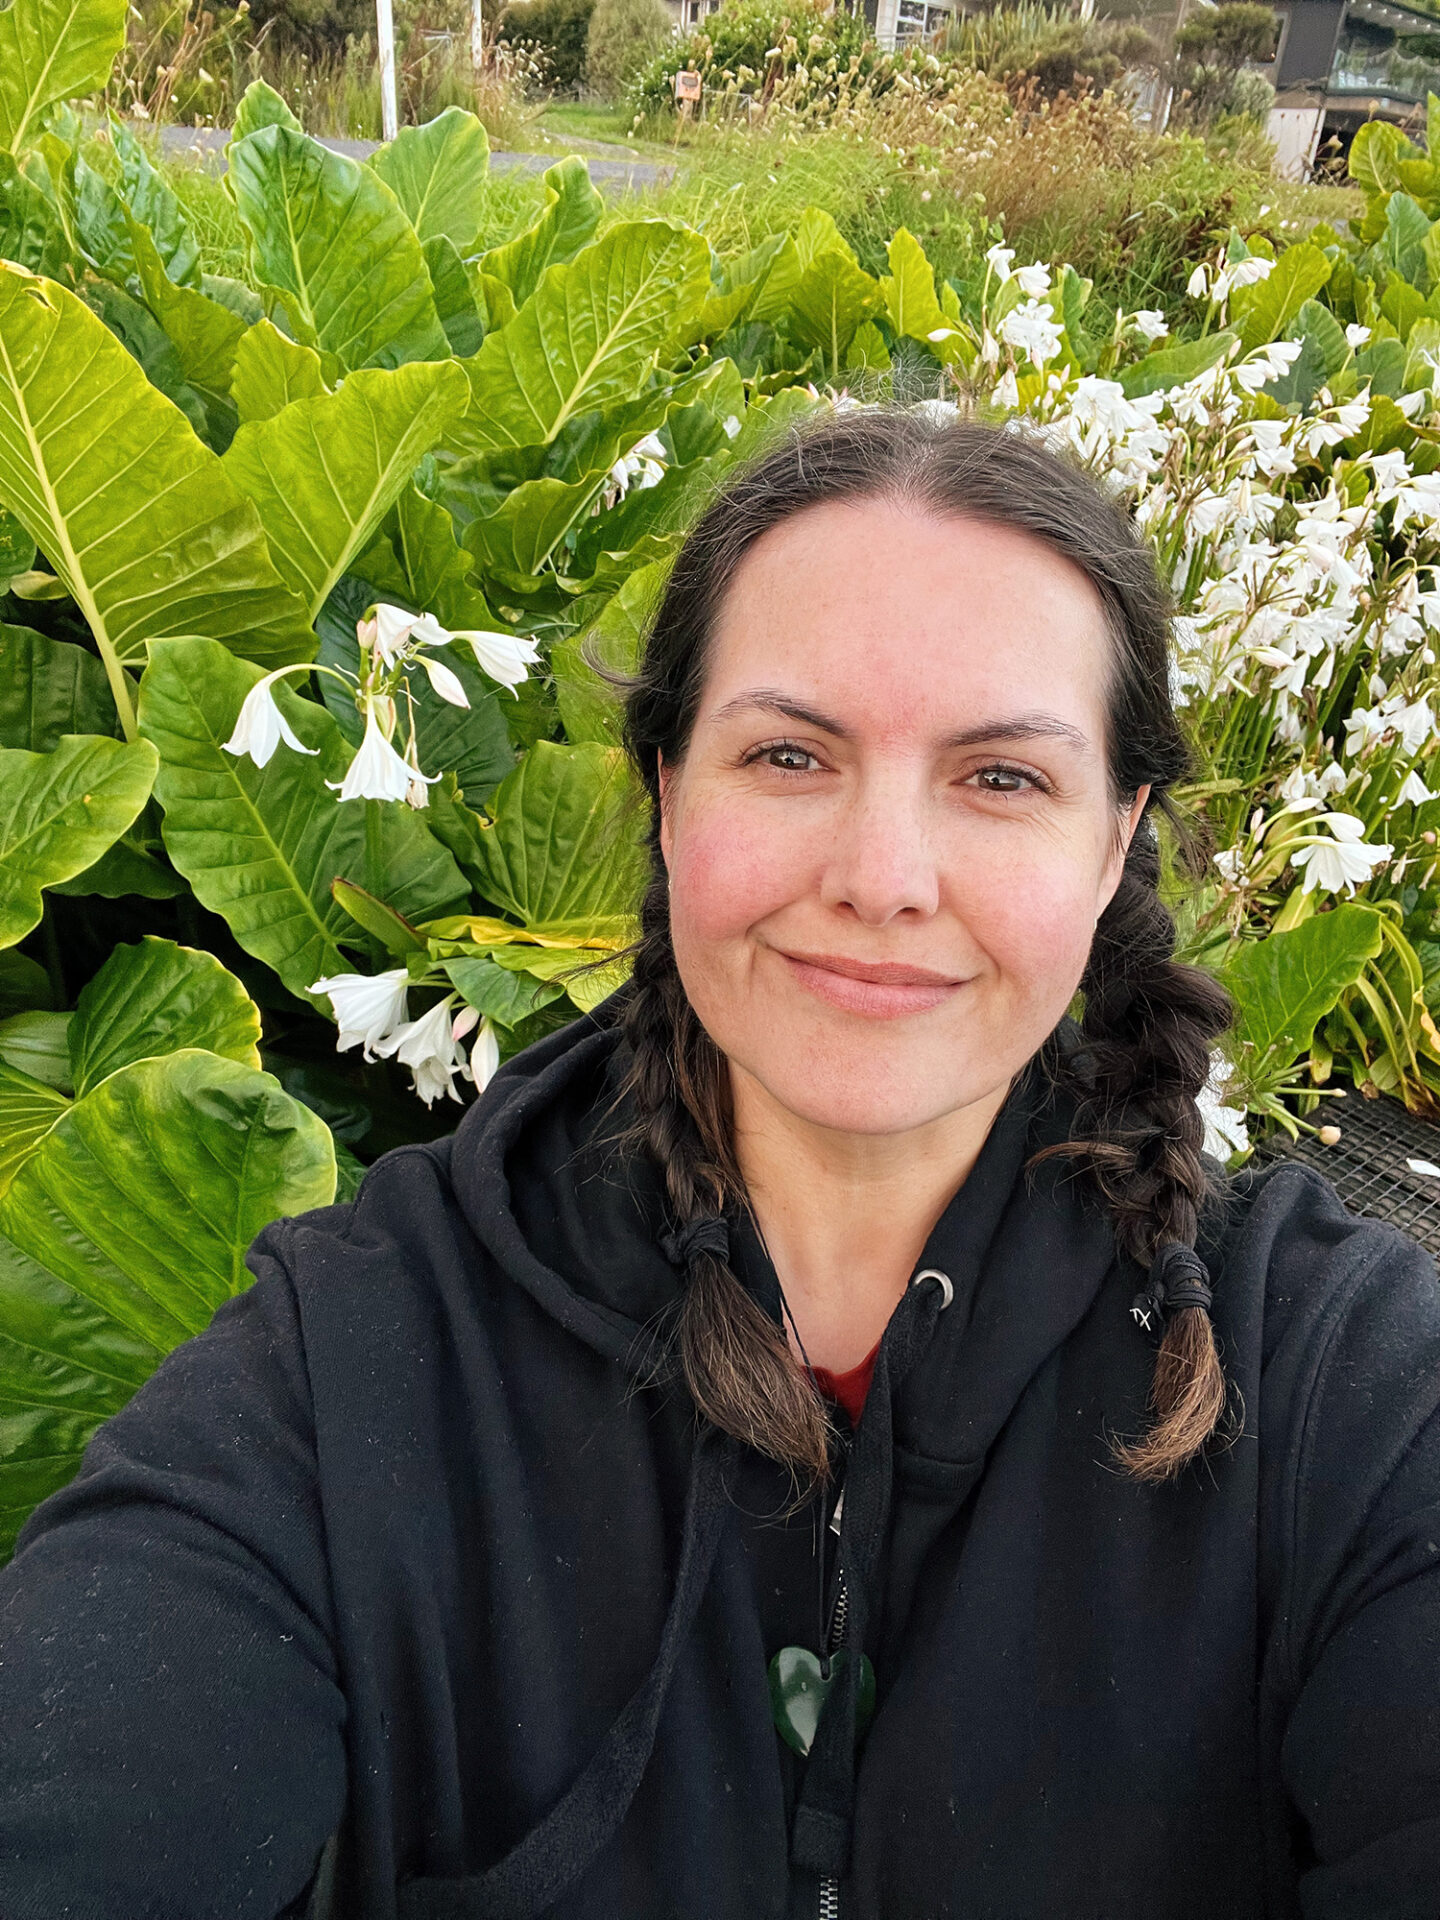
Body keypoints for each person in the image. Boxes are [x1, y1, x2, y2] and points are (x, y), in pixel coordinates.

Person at [1, 411, 1438, 1920]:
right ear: (668, 795)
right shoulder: (357, 1360)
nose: (881, 880)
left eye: (1002, 778)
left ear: (1113, 841)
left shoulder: (1338, 1380)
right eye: (788, 753)